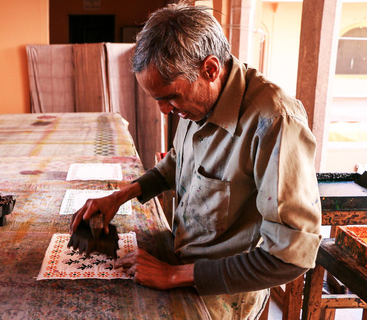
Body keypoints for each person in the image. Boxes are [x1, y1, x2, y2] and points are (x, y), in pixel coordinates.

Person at [70, 4, 322, 319]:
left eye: (170, 97)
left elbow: (291, 257)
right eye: (157, 99)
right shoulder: (196, 100)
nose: (164, 110)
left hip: (225, 289)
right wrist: (120, 196)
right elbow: (178, 162)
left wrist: (173, 275)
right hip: (182, 252)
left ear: (210, 69)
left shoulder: (274, 122)